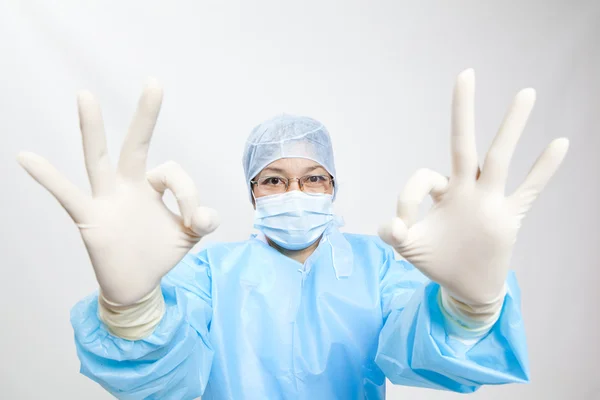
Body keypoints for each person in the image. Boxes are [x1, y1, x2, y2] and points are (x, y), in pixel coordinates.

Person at [18, 69, 569, 399]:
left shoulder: (379, 267)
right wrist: (133, 311)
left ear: (334, 187)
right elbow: (163, 380)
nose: (295, 191)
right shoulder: (209, 274)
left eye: (313, 178)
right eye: (275, 180)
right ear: (252, 192)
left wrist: (468, 308)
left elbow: (424, 351)